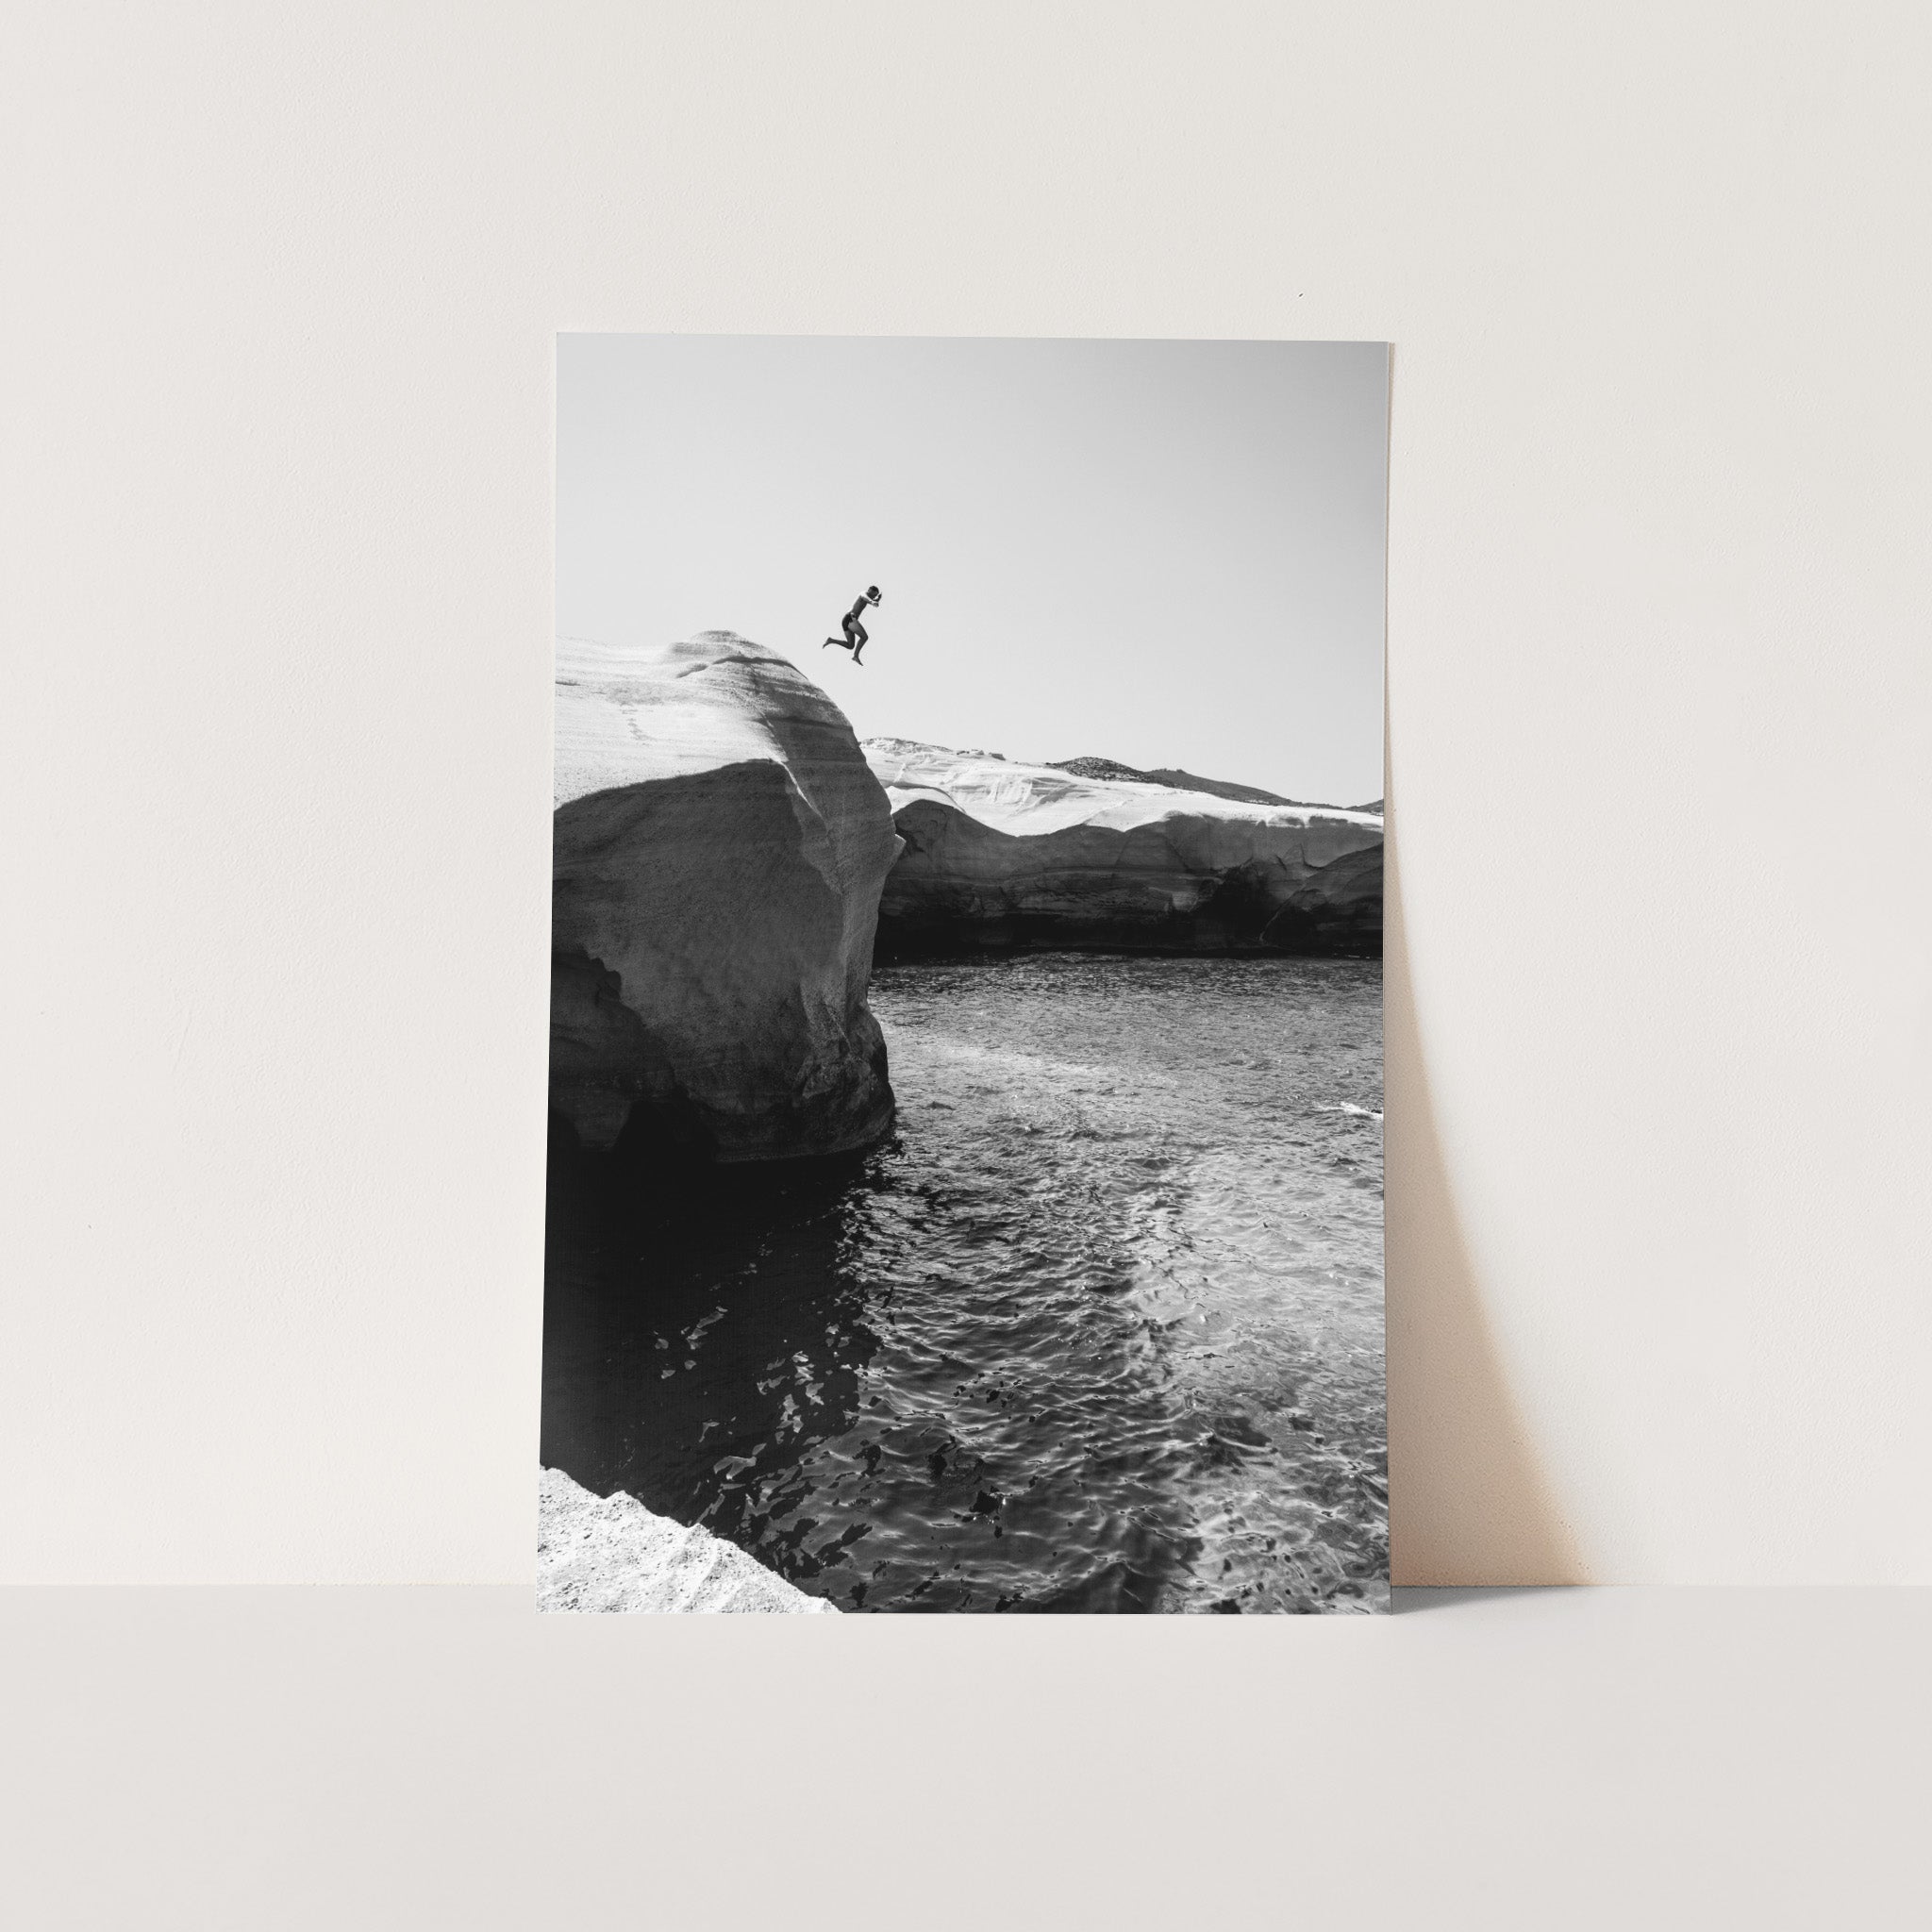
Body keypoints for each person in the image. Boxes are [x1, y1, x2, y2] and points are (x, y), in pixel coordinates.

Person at [824, 585, 881, 664]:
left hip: (846, 621)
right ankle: (856, 656)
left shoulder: (869, 598)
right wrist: (872, 601)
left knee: (850, 646)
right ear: (870, 590)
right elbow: (865, 597)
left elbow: (871, 600)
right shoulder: (864, 593)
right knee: (864, 637)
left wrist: (877, 599)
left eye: (875, 596)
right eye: (874, 594)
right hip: (850, 618)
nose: (873, 596)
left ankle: (831, 640)